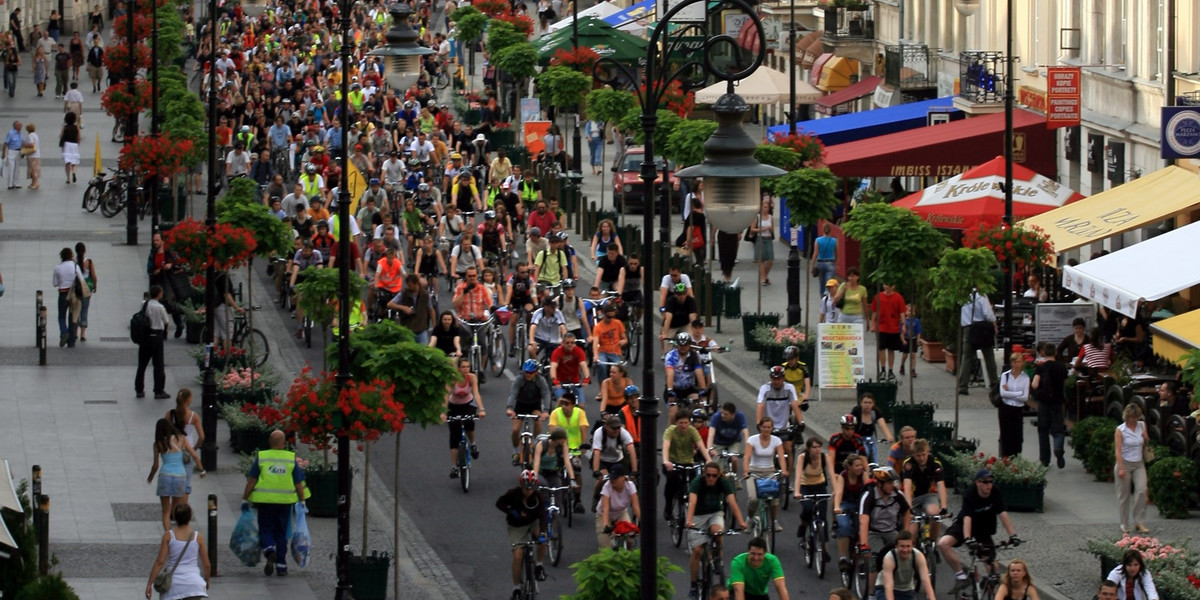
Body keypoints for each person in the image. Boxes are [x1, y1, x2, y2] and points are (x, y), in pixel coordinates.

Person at [241, 430, 309, 577]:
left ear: (269, 443)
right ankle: (281, 565)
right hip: (285, 503)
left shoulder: (262, 457)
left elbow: (252, 480)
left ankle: (269, 550)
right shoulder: (290, 458)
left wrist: (245, 498)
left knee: (265, 530)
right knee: (282, 533)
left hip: (265, 502)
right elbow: (298, 483)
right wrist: (302, 501)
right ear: (284, 444)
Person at [938, 469, 1018, 594]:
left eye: (991, 482)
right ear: (977, 482)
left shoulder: (995, 492)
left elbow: (1002, 513)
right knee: (943, 543)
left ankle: (989, 587)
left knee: (994, 568)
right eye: (985, 482)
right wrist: (968, 538)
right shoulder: (970, 493)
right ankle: (961, 576)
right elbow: (967, 517)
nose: (988, 485)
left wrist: (1013, 535)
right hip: (964, 525)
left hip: (983, 529)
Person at [686, 462, 748, 599]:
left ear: (719, 475)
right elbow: (692, 502)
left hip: (715, 513)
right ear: (704, 474)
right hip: (698, 515)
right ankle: (694, 585)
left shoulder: (723, 482)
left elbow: (732, 502)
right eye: (708, 475)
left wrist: (741, 521)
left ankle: (717, 558)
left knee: (717, 531)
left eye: (714, 476)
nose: (711, 478)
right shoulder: (697, 482)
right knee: (697, 550)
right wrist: (689, 520)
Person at [858, 466, 911, 595]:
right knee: (875, 562)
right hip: (873, 532)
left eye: (893, 482)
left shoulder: (897, 495)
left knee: (903, 557)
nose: (892, 486)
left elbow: (907, 512)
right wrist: (864, 544)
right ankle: (871, 594)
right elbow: (863, 520)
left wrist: (905, 534)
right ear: (879, 484)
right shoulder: (869, 496)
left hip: (892, 532)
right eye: (888, 483)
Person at [496, 470, 548, 597]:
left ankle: (539, 566)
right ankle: (516, 588)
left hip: (532, 523)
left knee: (542, 538)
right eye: (526, 489)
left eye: (531, 489)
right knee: (518, 555)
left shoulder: (538, 497)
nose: (528, 492)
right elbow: (499, 503)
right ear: (521, 486)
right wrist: (510, 512)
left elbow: (542, 516)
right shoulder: (513, 494)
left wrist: (543, 532)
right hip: (516, 526)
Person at [147, 418, 204, 532]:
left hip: (164, 477)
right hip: (180, 477)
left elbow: (155, 466)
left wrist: (151, 477)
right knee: (177, 510)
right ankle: (178, 535)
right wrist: (201, 469)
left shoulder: (158, 444)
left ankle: (168, 535)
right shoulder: (181, 439)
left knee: (166, 512)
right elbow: (194, 455)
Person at [144, 503, 210, 600]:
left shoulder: (168, 536)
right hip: (193, 584)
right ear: (190, 517)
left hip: (173, 585)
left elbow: (160, 562)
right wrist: (207, 581)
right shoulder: (198, 537)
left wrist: (149, 584)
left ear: (175, 517)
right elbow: (206, 565)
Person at [742, 418, 787, 533]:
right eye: (764, 427)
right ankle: (750, 518)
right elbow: (747, 456)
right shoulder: (752, 440)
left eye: (769, 427)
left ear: (772, 428)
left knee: (774, 500)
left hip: (769, 471)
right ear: (760, 427)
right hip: (754, 472)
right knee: (754, 499)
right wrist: (746, 470)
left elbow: (781, 457)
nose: (766, 429)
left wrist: (784, 470)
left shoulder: (776, 440)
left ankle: (774, 521)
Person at [755, 366, 805, 468]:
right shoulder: (765, 389)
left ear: (783, 378)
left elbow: (795, 404)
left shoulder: (789, 388)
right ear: (770, 378)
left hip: (784, 425)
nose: (776, 381)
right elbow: (760, 406)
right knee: (770, 450)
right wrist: (758, 422)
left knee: (788, 449)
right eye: (774, 379)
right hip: (770, 425)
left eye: (778, 379)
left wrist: (801, 422)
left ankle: (789, 472)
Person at [663, 411, 711, 517]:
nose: (683, 425)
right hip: (673, 463)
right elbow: (666, 446)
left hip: (688, 462)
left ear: (689, 423)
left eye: (686, 423)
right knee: (671, 482)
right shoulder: (670, 431)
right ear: (676, 423)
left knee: (694, 484)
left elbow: (701, 446)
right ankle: (668, 505)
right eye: (681, 423)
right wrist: (666, 461)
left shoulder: (692, 431)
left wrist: (708, 460)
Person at [443, 358, 484, 479]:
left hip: (468, 404)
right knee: (454, 435)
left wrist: (481, 409)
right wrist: (443, 413)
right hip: (454, 406)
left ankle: (473, 444)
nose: (466, 369)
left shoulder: (472, 378)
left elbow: (476, 394)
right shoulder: (451, 379)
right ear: (458, 368)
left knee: (469, 424)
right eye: (463, 367)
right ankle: (454, 467)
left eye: (468, 367)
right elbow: (446, 396)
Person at [900, 439, 948, 538]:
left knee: (935, 514)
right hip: (913, 498)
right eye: (918, 456)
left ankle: (934, 543)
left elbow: (941, 484)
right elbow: (907, 486)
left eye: (924, 454)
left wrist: (943, 506)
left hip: (928, 495)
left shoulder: (935, 463)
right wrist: (909, 507)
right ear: (913, 455)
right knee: (912, 534)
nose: (922, 458)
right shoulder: (908, 464)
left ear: (928, 452)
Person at [506, 359, 551, 465]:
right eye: (526, 372)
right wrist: (510, 408)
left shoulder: (541, 380)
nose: (528, 374)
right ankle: (516, 451)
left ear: (536, 372)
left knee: (537, 422)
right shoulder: (519, 379)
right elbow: (513, 394)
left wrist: (546, 411)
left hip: (534, 406)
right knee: (516, 429)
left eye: (530, 372)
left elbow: (546, 395)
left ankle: (536, 444)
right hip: (520, 405)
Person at [1114, 403, 1150, 535]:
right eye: (1131, 417)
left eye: (1136, 417)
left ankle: (1139, 521)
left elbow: (1145, 441)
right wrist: (1121, 468)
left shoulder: (1142, 425)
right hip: (1125, 462)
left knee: (1141, 490)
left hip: (1139, 462)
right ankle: (1124, 523)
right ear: (1127, 417)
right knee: (1124, 495)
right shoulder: (1120, 430)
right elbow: (1118, 450)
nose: (1133, 420)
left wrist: (1146, 438)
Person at [1032, 342, 1069, 468]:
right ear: (1055, 353)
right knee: (1058, 430)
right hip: (1058, 402)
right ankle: (1058, 448)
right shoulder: (1061, 367)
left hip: (1043, 403)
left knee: (1043, 431)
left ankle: (1045, 460)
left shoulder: (1040, 367)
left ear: (1044, 353)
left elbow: (1035, 385)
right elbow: (1065, 384)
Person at [165, 389, 203, 507]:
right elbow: (202, 437)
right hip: (188, 451)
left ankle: (173, 508)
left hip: (173, 451)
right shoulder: (193, 416)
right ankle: (181, 510)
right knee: (185, 483)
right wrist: (195, 448)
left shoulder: (169, 414)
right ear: (188, 400)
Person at [833, 454, 871, 572]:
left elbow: (869, 490)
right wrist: (837, 506)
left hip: (860, 504)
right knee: (844, 527)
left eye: (861, 465)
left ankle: (860, 556)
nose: (860, 468)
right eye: (857, 466)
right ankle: (843, 558)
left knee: (861, 528)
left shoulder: (863, 475)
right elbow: (839, 493)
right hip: (845, 504)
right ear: (849, 467)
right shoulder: (843, 476)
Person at [532, 425, 581, 512]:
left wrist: (572, 479)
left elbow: (567, 462)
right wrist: (535, 476)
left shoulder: (563, 445)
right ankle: (543, 509)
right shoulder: (541, 445)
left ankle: (556, 513)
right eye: (564, 438)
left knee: (558, 489)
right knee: (544, 487)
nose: (565, 440)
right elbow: (536, 463)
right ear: (557, 438)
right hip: (541, 472)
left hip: (553, 473)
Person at [875, 530, 936, 600]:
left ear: (913, 546)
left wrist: (932, 598)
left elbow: (925, 580)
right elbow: (888, 585)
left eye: (908, 546)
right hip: (884, 588)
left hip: (907, 590)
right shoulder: (889, 558)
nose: (905, 550)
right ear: (896, 546)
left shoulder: (918, 556)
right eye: (902, 546)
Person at [135, 285, 172, 399]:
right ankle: (158, 390)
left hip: (146, 336)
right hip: (157, 336)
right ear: (159, 294)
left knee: (142, 364)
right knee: (158, 364)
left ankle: (139, 389)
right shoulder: (160, 307)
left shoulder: (145, 304)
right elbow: (166, 321)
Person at [959, 288, 998, 395]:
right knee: (989, 356)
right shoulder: (981, 295)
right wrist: (994, 324)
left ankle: (963, 385)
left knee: (966, 357)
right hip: (982, 328)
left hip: (967, 327)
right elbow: (987, 313)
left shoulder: (963, 295)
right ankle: (994, 383)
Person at [793, 437, 831, 536]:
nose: (817, 449)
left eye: (819, 447)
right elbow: (798, 476)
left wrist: (835, 491)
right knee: (808, 508)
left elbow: (832, 475)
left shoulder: (824, 457)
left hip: (820, 486)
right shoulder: (803, 458)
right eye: (814, 447)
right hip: (805, 486)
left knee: (822, 517)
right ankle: (803, 524)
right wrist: (797, 492)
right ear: (809, 448)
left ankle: (824, 548)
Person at [596, 463, 640, 548]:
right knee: (606, 546)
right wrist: (606, 525)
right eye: (612, 478)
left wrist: (642, 522)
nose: (613, 480)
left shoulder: (630, 486)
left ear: (623, 477)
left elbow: (635, 507)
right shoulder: (607, 487)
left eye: (615, 478)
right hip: (603, 515)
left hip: (621, 513)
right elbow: (605, 509)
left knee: (629, 538)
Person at [997, 353, 1030, 457]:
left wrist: (1010, 393)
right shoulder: (1005, 376)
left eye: (1019, 362)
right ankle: (1005, 456)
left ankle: (1016, 456)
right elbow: (1003, 393)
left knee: (1017, 436)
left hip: (1018, 409)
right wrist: (1018, 393)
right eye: (1014, 362)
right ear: (1011, 363)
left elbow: (1025, 397)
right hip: (1006, 408)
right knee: (1006, 435)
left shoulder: (1025, 378)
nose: (1016, 364)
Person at [851, 393, 893, 463]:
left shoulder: (875, 412)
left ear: (873, 403)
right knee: (864, 453)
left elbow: (882, 424)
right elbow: (850, 423)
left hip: (870, 438)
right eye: (865, 402)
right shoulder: (857, 411)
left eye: (870, 403)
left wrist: (888, 436)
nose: (867, 405)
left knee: (874, 455)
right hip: (858, 438)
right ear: (861, 403)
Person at [549, 391, 589, 460]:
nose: (563, 407)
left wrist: (584, 445)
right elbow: (551, 430)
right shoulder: (555, 413)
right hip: (559, 446)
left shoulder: (580, 413)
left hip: (575, 448)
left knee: (576, 466)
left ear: (573, 405)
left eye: (567, 404)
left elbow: (583, 429)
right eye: (562, 404)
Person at [73, 241, 96, 341]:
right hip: (86, 289)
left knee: (76, 310)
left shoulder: (73, 261)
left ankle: (75, 332)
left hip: (76, 288)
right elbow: (94, 276)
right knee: (84, 310)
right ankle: (83, 333)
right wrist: (95, 286)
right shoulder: (89, 262)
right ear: (84, 251)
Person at [750, 200, 775, 286]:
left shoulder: (771, 217)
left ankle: (765, 275)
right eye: (764, 207)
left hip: (768, 239)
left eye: (767, 207)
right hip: (760, 239)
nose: (766, 209)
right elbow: (752, 229)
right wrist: (761, 229)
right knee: (761, 260)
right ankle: (764, 279)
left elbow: (773, 231)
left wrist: (771, 229)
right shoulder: (757, 217)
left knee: (770, 260)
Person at [899, 305, 922, 377]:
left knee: (913, 354)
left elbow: (918, 332)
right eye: (909, 311)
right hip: (906, 339)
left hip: (913, 339)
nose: (911, 313)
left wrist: (918, 340)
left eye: (913, 311)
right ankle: (902, 365)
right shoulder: (903, 321)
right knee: (905, 355)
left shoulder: (916, 321)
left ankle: (913, 369)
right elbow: (901, 332)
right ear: (905, 312)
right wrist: (903, 340)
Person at [61, 112, 81, 184]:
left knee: (67, 162)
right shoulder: (76, 127)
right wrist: (77, 143)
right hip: (74, 145)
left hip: (66, 145)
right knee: (74, 162)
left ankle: (68, 179)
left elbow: (61, 135)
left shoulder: (65, 127)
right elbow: (79, 137)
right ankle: (74, 172)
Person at [3, 120, 21, 186]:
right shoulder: (11, 133)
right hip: (12, 151)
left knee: (17, 168)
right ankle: (10, 184)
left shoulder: (20, 133)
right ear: (16, 126)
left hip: (18, 151)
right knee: (11, 167)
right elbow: (5, 143)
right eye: (19, 125)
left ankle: (16, 183)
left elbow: (21, 141)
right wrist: (3, 153)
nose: (21, 127)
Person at [23, 122, 40, 190]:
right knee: (34, 169)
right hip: (37, 155)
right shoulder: (35, 135)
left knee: (33, 170)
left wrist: (25, 145)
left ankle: (35, 183)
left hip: (32, 155)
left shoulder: (30, 136)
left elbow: (32, 144)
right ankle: (33, 183)